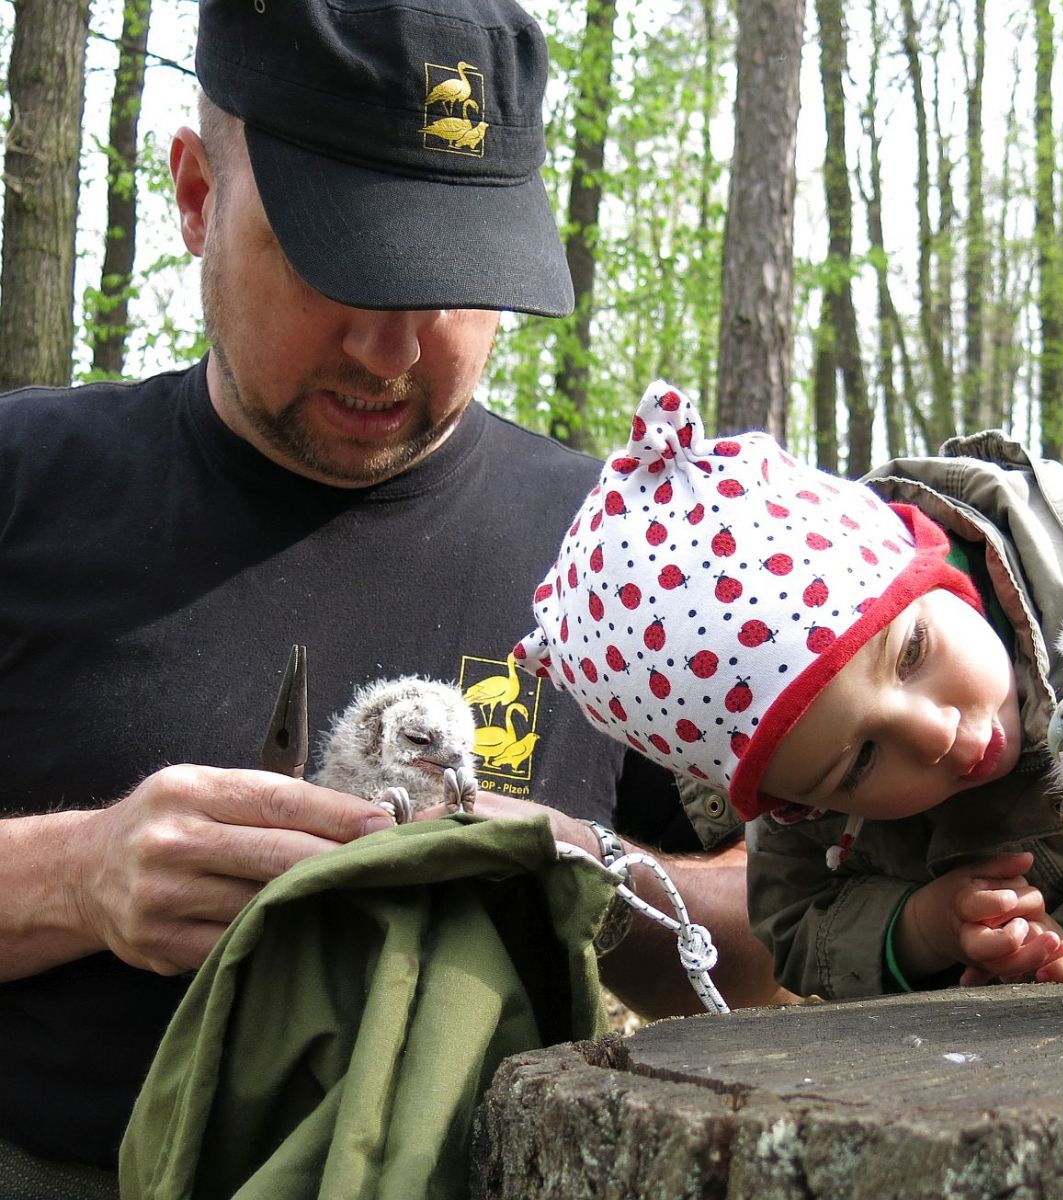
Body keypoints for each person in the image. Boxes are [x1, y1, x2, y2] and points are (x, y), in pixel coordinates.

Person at [0, 0, 783, 1186]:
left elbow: (774, 951)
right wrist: (76, 877)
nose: (395, 346)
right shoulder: (21, 486)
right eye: (339, 259)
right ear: (199, 194)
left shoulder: (622, 554)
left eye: (455, 280)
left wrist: (578, 872)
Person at [516, 381, 1063, 1002]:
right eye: (860, 761)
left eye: (912, 652)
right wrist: (923, 928)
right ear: (796, 804)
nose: (933, 731)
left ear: (936, 566)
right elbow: (796, 925)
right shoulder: (797, 807)